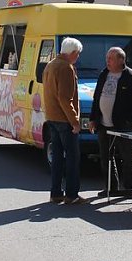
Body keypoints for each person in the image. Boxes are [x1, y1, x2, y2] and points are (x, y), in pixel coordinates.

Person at [88, 47, 132, 192]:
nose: (107, 61)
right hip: (103, 123)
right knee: (105, 157)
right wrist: (93, 118)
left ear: (121, 60)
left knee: (127, 157)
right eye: (107, 58)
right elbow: (96, 98)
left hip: (122, 125)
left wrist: (130, 118)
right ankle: (111, 188)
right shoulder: (104, 74)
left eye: (111, 58)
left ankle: (129, 188)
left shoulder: (131, 76)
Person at [42, 37, 87, 205]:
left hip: (52, 117)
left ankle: (56, 192)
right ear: (73, 53)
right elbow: (65, 98)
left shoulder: (51, 64)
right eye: (78, 54)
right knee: (73, 158)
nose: (78, 57)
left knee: (57, 157)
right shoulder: (66, 68)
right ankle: (72, 194)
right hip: (64, 119)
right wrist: (75, 121)